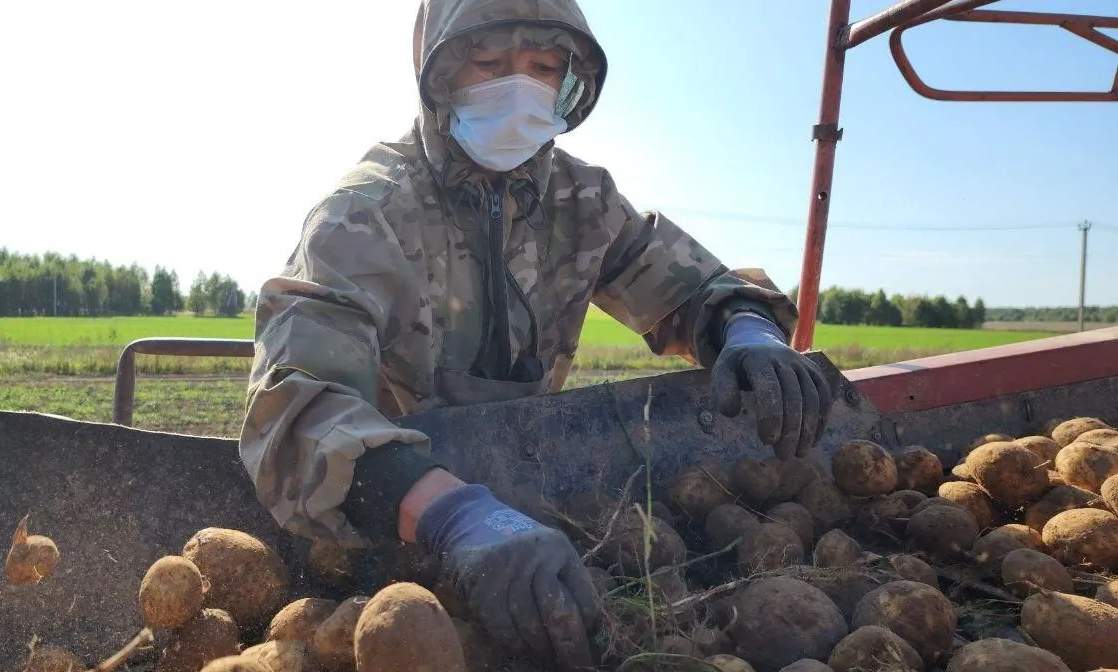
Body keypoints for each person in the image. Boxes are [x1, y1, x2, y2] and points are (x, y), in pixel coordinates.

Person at [239, 0, 834, 668]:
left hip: (534, 503)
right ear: (440, 76)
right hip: (389, 517)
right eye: (488, 64)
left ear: (570, 80)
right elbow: (296, 411)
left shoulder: (582, 202)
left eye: (543, 67)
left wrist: (745, 327)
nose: (517, 88)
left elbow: (690, 286)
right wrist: (452, 515)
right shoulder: (366, 212)